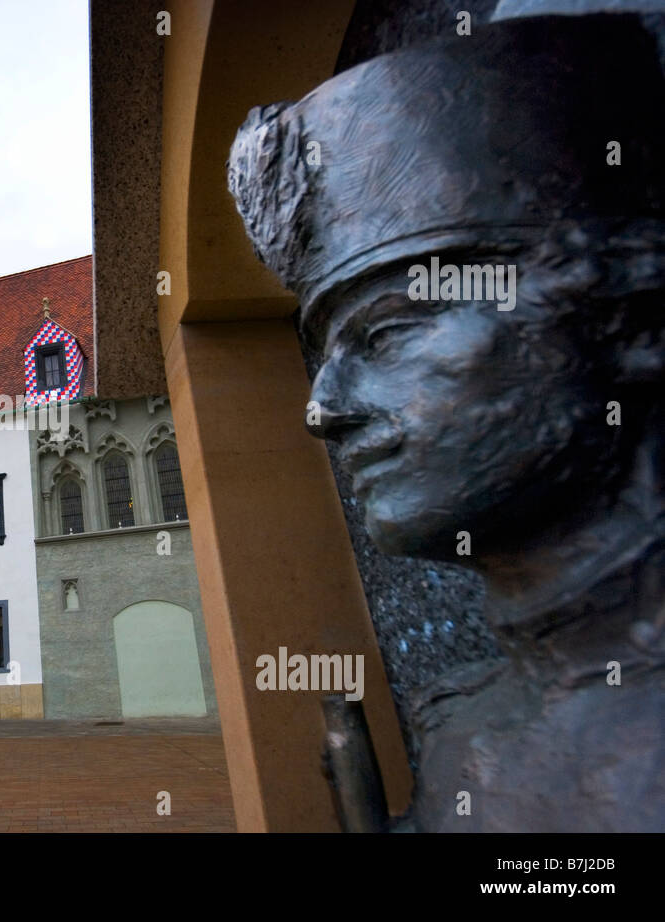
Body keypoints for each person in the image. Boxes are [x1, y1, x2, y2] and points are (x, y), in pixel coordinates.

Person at [228, 12, 665, 830]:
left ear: (632, 321)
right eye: (323, 351)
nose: (322, 410)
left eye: (389, 332)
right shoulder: (463, 732)